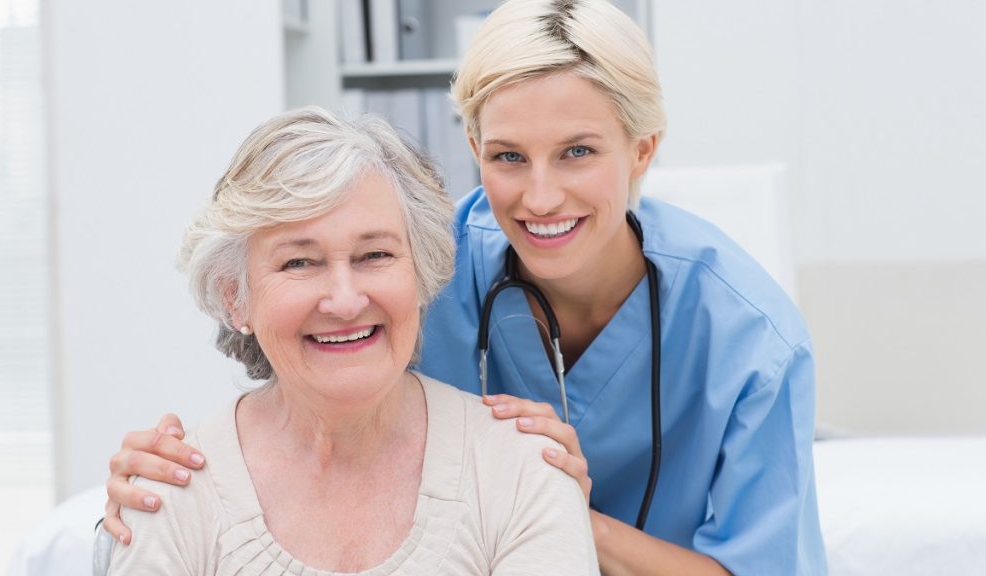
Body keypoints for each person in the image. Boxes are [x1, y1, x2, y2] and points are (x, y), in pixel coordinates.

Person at [103, 0, 827, 574]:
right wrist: (169, 476)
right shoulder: (415, 269)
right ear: (474, 149)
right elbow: (299, 373)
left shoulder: (751, 339)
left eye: (577, 152)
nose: (540, 198)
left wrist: (555, 505)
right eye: (508, 156)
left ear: (642, 151)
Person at [105, 106, 599, 575]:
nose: (344, 301)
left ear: (422, 273)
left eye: (375, 254)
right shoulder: (169, 492)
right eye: (299, 262)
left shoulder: (521, 472)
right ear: (236, 298)